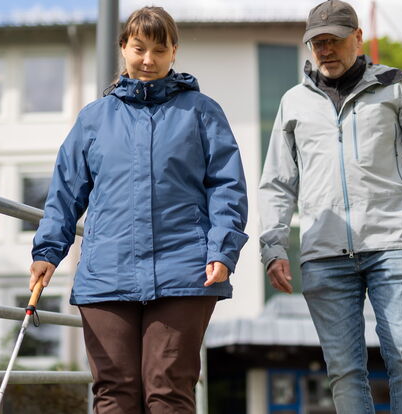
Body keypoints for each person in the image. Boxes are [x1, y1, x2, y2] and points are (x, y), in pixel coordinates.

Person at [29, 6, 248, 413]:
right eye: (139, 48)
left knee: (168, 389)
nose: (148, 60)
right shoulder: (94, 119)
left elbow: (227, 186)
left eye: (159, 50)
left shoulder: (201, 112)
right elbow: (65, 192)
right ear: (123, 48)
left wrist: (223, 249)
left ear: (174, 52)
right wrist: (47, 252)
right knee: (114, 390)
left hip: (184, 271)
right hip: (107, 272)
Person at [258, 1, 402, 412]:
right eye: (317, 43)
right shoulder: (293, 102)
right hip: (324, 252)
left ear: (358, 38)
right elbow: (277, 182)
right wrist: (273, 246)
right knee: (344, 370)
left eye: (334, 40)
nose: (325, 50)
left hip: (390, 244)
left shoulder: (394, 86)